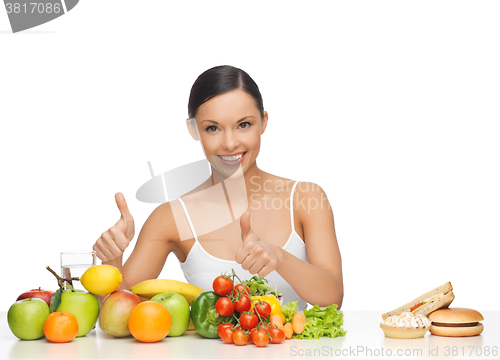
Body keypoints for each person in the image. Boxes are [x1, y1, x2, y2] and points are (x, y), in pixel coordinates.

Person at [93, 65, 343, 310]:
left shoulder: (305, 198)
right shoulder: (171, 218)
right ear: (193, 129)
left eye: (244, 124)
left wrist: (280, 257)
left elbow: (333, 298)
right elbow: (117, 316)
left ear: (263, 122)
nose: (230, 143)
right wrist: (112, 259)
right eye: (212, 128)